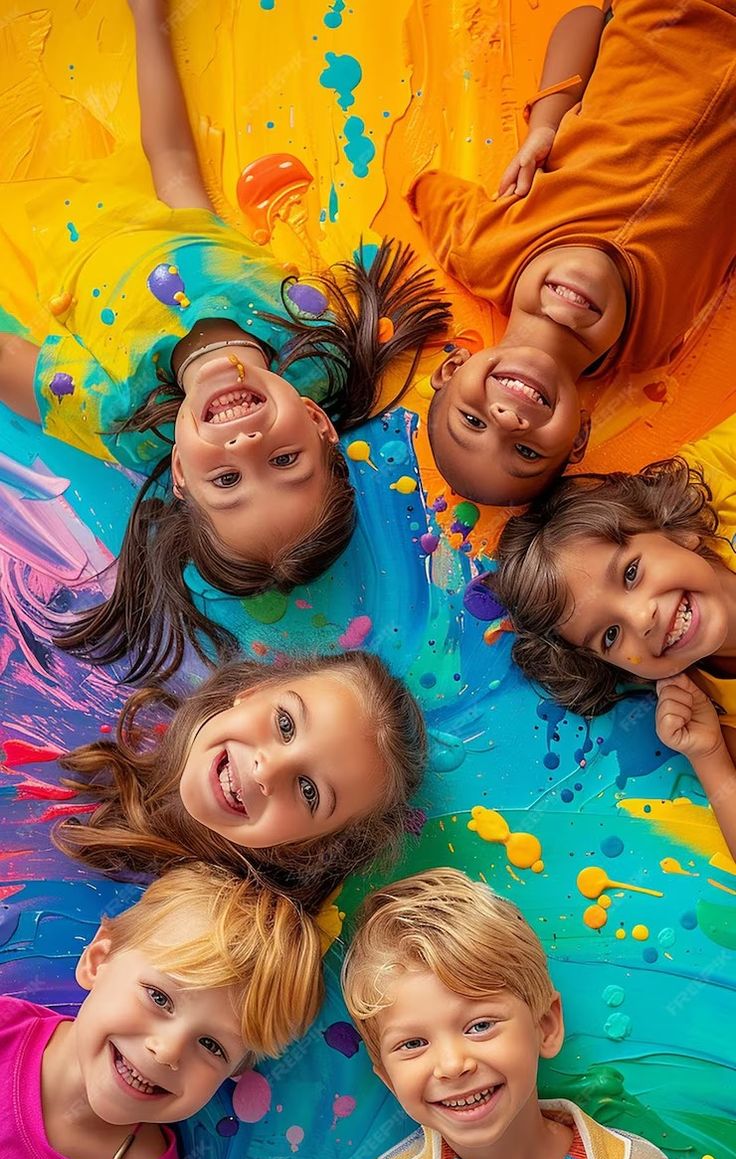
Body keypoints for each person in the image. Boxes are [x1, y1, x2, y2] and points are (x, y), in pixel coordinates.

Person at [0, 0, 451, 682]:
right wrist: (148, 19)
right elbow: (175, 165)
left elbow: (10, 363)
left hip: (58, 249)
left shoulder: (120, 413)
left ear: (180, 471)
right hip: (166, 198)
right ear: (318, 420)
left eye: (227, 479)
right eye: (286, 461)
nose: (246, 447)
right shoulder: (311, 342)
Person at [324, 868, 709, 1159]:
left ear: (545, 1026)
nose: (452, 1065)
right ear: (387, 1077)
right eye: (413, 1044)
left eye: (480, 1025)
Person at [408, 0, 736, 506]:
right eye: (526, 452)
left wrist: (546, 125)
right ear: (578, 436)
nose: (506, 420)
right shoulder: (657, 341)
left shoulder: (485, 248)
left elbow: (583, 19)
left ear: (452, 370)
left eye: (471, 420)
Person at [0, 861, 323, 1159]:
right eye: (159, 997)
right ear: (98, 961)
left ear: (233, 1071)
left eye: (211, 1045)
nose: (169, 1050)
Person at [493, 417, 736, 862]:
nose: (641, 618)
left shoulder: (718, 476)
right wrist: (711, 756)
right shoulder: (715, 710)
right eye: (609, 635)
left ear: (676, 529)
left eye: (630, 573)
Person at [53, 650, 427, 912]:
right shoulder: (79, 700)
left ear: (308, 845)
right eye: (285, 724)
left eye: (309, 791)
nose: (266, 771)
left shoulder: (230, 933)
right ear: (251, 692)